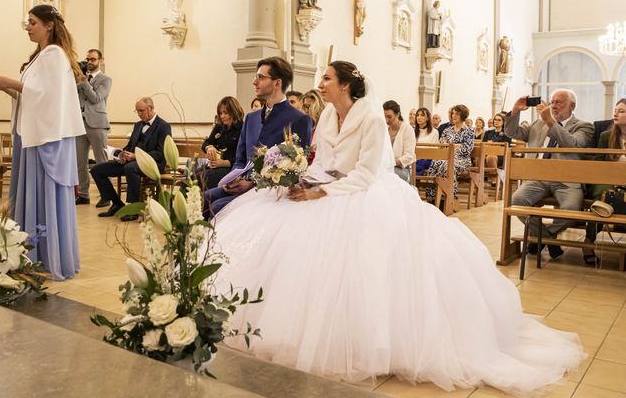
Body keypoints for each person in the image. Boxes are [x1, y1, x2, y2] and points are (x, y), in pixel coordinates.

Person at [213, 60, 584, 395]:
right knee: (285, 235)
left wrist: (322, 193)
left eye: (327, 78)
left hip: (365, 191)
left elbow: (365, 173)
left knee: (365, 261)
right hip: (326, 185)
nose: (320, 84)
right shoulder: (326, 116)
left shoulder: (372, 119)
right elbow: (324, 160)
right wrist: (304, 183)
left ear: (345, 85)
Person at [0, 4, 85, 280]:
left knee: (44, 195)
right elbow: (32, 97)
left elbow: (48, 97)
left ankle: (43, 256)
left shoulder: (53, 54)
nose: (28, 27)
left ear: (48, 25)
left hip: (45, 140)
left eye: (32, 22)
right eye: (27, 23)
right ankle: (31, 253)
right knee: (33, 195)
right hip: (33, 135)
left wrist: (11, 81)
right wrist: (3, 86)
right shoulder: (40, 57)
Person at [203, 57, 312, 218]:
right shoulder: (251, 118)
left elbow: (297, 169)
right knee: (205, 198)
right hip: (241, 183)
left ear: (277, 83)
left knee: (218, 207)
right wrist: (234, 178)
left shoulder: (299, 119)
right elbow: (240, 158)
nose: (254, 82)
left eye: (260, 77)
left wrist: (251, 183)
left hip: (269, 190)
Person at [504, 90, 594, 259]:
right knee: (517, 202)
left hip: (567, 181)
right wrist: (515, 111)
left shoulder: (583, 126)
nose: (553, 105)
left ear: (572, 106)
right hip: (537, 178)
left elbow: (573, 145)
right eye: (552, 101)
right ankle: (547, 238)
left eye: (558, 102)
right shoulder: (538, 124)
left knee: (571, 211)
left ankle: (539, 239)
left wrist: (550, 121)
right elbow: (512, 132)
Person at [91, 97, 171, 222]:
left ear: (150, 109)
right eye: (137, 111)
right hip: (131, 161)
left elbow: (160, 153)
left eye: (141, 111)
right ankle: (117, 203)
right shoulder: (138, 125)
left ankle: (133, 209)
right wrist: (122, 154)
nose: (139, 114)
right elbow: (130, 145)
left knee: (130, 168)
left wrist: (137, 156)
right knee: (97, 170)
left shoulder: (163, 126)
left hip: (151, 164)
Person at [584, 98, 626, 265]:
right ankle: (588, 243)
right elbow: (599, 164)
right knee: (603, 197)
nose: (615, 113)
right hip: (607, 181)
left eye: (621, 111)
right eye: (615, 110)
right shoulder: (606, 135)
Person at [75, 48, 112, 207]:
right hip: (79, 124)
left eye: (93, 59)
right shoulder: (80, 79)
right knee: (80, 162)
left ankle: (106, 195)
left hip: (97, 124)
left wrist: (84, 82)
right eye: (88, 59)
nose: (90, 62)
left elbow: (96, 98)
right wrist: (77, 80)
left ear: (101, 61)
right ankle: (83, 195)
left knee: (101, 162)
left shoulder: (105, 79)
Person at [426, 105, 474, 204]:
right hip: (446, 157)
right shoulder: (447, 130)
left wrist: (451, 146)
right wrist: (456, 145)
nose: (454, 116)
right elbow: (441, 145)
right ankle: (433, 196)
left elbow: (467, 149)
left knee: (446, 166)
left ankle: (449, 197)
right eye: (453, 113)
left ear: (463, 115)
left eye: (457, 114)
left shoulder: (469, 131)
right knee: (434, 164)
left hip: (462, 159)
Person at [200, 97, 244, 190]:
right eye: (220, 113)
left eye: (226, 113)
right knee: (190, 176)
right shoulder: (219, 127)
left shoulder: (242, 128)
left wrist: (225, 163)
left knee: (203, 178)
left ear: (234, 111)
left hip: (231, 169)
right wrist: (209, 147)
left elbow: (244, 156)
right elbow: (206, 142)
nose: (222, 116)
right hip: (216, 166)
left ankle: (202, 203)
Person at [383, 100, 416, 182]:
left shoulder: (408, 130)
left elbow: (409, 156)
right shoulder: (384, 130)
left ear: (397, 114)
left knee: (384, 176)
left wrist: (390, 163)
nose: (386, 120)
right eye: (384, 117)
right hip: (385, 167)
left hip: (401, 169)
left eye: (389, 117)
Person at [414, 107, 439, 176]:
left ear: (427, 118)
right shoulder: (413, 131)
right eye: (417, 115)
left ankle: (414, 183)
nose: (419, 117)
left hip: (428, 160)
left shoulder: (434, 132)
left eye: (422, 115)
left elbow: (434, 150)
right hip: (415, 158)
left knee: (418, 164)